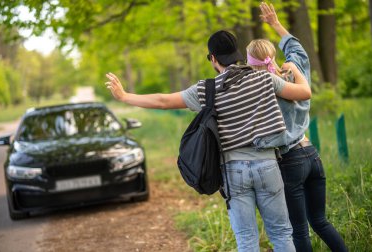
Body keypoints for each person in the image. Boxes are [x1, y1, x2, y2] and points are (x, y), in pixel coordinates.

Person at [105, 30, 311, 252]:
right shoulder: (265, 78)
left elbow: (163, 100)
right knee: (281, 233)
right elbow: (304, 93)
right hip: (268, 165)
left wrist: (125, 96)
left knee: (246, 239)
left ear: (213, 58)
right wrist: (294, 67)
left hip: (234, 171)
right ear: (237, 53)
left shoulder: (207, 89)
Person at [248, 3, 348, 252]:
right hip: (312, 154)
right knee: (320, 221)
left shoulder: (260, 87)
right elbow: (297, 49)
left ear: (252, 64)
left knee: (298, 230)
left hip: (290, 160)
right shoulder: (292, 71)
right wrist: (275, 24)